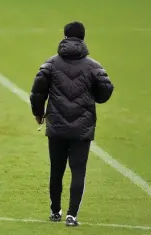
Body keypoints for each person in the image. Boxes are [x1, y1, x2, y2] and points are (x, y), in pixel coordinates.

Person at [29, 21, 114, 226]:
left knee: (56, 169)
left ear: (65, 37)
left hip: (56, 125)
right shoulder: (93, 66)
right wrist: (93, 96)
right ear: (83, 38)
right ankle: (72, 215)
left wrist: (39, 114)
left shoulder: (51, 64)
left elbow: (37, 92)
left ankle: (55, 211)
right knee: (78, 170)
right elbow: (106, 90)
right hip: (82, 128)